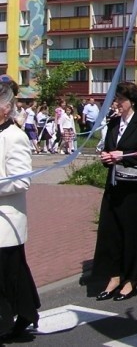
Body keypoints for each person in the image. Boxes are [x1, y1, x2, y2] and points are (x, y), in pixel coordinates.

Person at [91, 81, 137, 302]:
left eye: (121, 100)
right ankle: (113, 276)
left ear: (131, 101)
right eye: (116, 99)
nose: (117, 104)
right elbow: (109, 148)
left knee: (134, 232)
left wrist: (125, 155)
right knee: (111, 232)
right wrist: (107, 156)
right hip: (115, 184)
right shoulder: (113, 123)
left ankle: (131, 279)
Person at [0, 82, 40, 339]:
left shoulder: (15, 137)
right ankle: (26, 312)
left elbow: (22, 179)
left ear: (4, 109)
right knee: (14, 274)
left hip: (6, 223)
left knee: (5, 278)